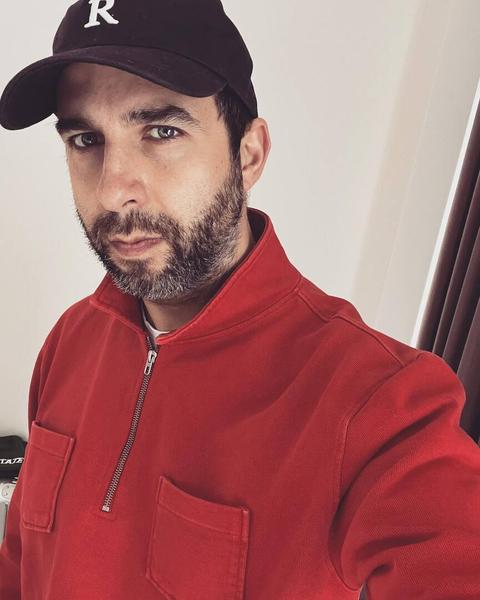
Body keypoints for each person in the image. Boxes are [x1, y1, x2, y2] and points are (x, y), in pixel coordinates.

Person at [1, 1, 480, 598]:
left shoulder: (377, 402)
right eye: (85, 139)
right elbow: (20, 561)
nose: (114, 189)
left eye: (162, 131)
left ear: (248, 155)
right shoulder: (70, 339)